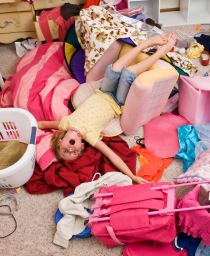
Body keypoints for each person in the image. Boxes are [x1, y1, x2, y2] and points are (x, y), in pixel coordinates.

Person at [38, 33, 176, 184]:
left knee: (115, 68)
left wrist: (24, 127)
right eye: (75, 152)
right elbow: (112, 156)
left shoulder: (65, 124)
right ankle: (161, 53)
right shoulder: (90, 136)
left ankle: (145, 44)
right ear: (81, 146)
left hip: (103, 91)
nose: (71, 150)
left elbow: (41, 124)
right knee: (127, 73)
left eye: (66, 151)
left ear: (60, 142)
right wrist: (132, 176)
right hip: (117, 101)